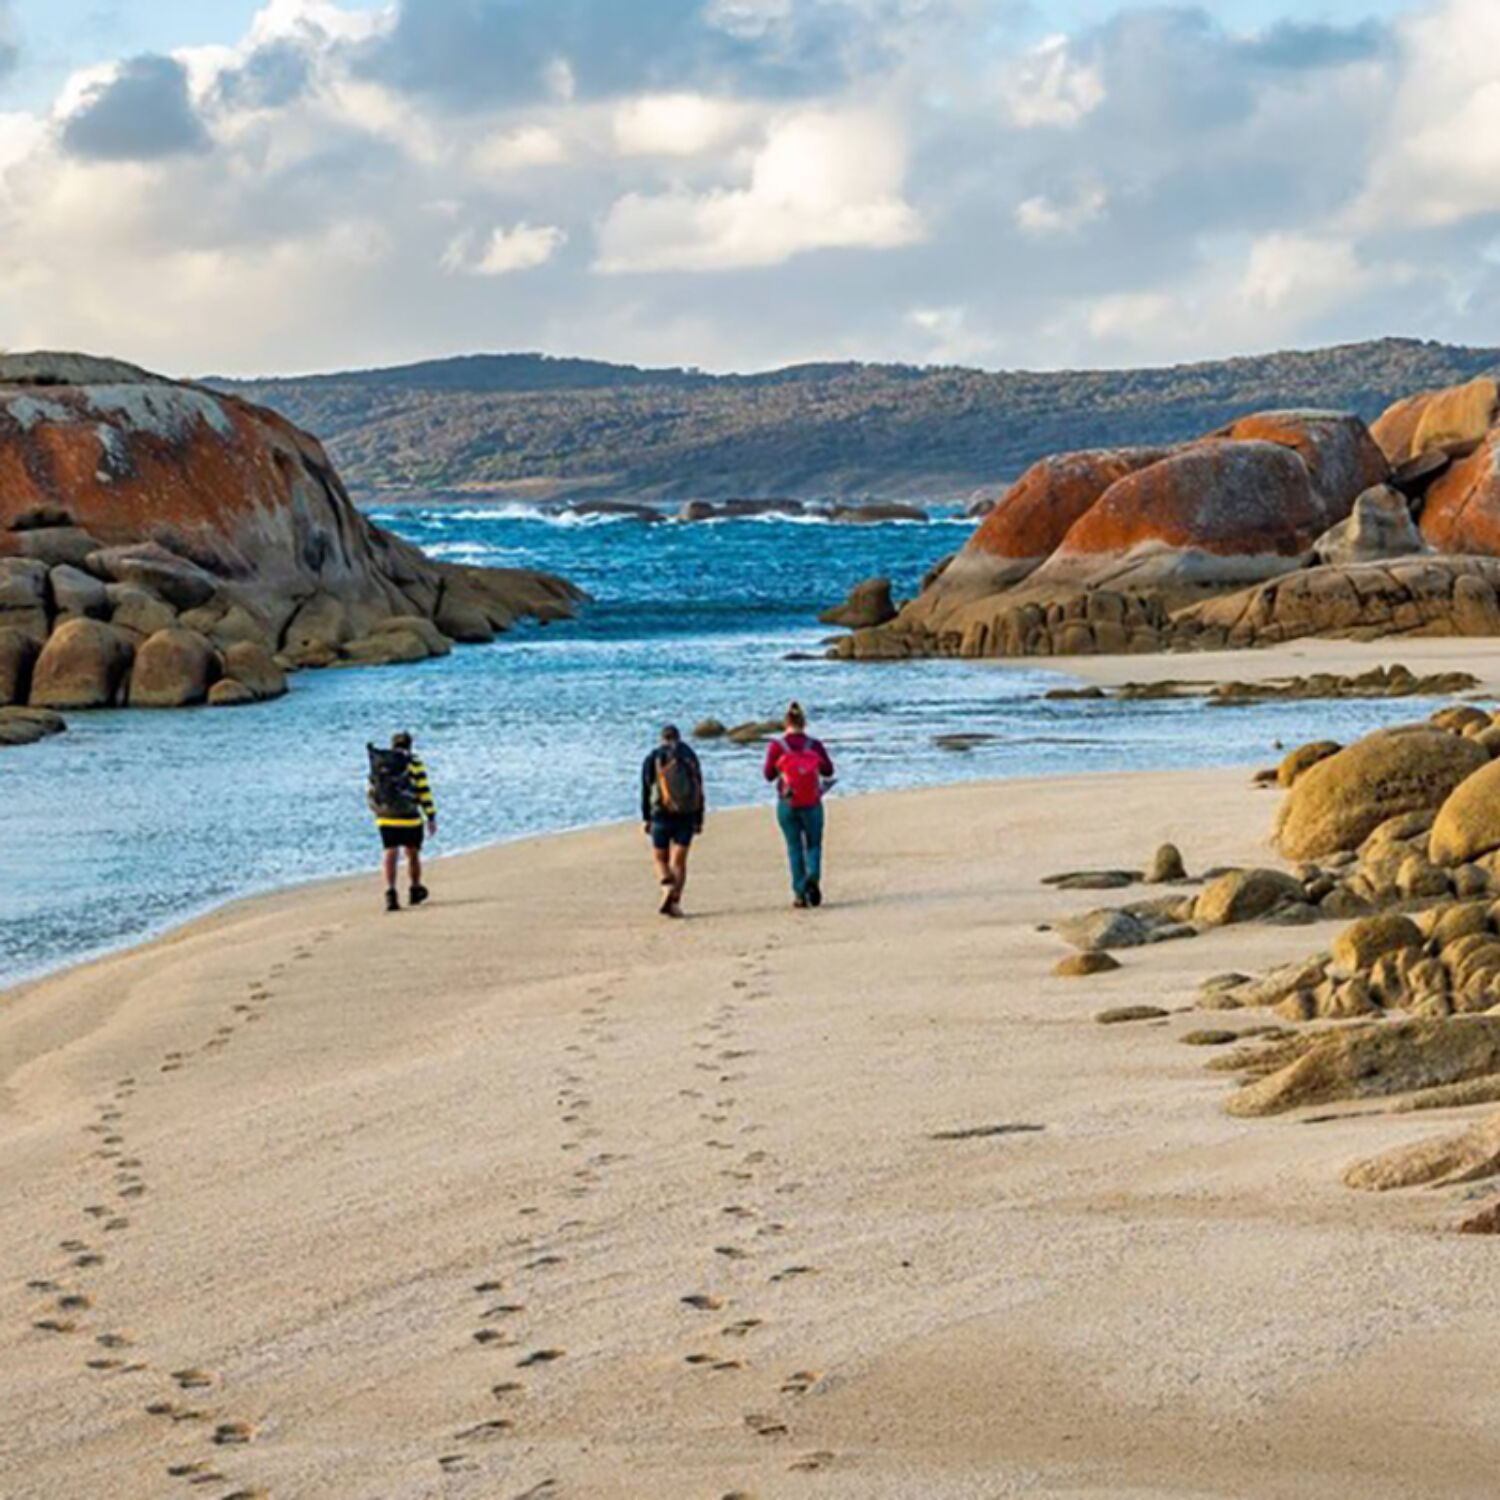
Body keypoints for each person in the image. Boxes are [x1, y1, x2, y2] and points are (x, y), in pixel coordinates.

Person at [763, 702, 835, 909]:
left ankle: (799, 894)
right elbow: (828, 771)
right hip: (812, 801)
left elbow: (768, 775)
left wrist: (782, 768)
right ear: (804, 723)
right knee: (813, 844)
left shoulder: (777, 746)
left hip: (787, 801)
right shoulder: (814, 745)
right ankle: (813, 876)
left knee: (794, 847)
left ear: (785, 723)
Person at [367, 732, 437, 913]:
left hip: (385, 816)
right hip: (409, 816)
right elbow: (423, 790)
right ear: (410, 745)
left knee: (390, 851)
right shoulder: (413, 763)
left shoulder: (380, 764)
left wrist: (377, 811)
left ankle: (390, 892)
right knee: (412, 852)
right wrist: (430, 816)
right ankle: (415, 888)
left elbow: (371, 790)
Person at [641, 724, 705, 918]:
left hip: (661, 814)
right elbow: (699, 787)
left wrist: (646, 817)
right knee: (679, 861)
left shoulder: (654, 757)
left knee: (661, 859)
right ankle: (675, 901)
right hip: (686, 815)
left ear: (662, 738)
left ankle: (666, 885)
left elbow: (645, 789)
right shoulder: (689, 756)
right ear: (679, 737)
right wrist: (699, 817)